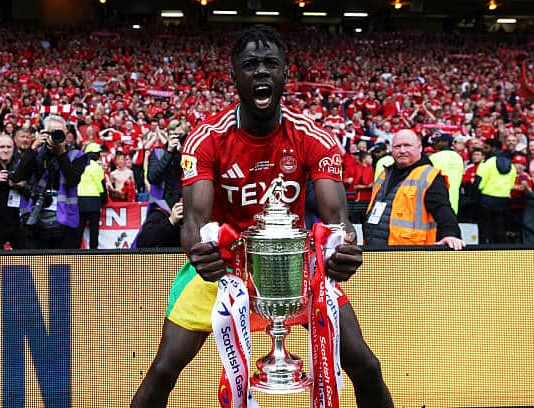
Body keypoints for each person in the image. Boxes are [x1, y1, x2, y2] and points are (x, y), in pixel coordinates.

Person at [131, 25, 393, 407]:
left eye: (270, 63)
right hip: (223, 267)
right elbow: (193, 222)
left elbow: (339, 219)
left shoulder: (313, 137)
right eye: (251, 64)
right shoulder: (207, 138)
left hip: (293, 268)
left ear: (284, 73)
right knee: (162, 370)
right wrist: (198, 252)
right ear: (234, 74)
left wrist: (346, 247)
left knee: (366, 366)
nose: (261, 71)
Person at [363, 129, 465, 250]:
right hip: (373, 249)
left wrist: (450, 234)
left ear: (419, 147)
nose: (402, 150)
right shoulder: (385, 174)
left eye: (407, 146)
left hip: (409, 252)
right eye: (397, 146)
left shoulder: (429, 176)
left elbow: (442, 208)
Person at [27, 114, 87, 249]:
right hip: (37, 217)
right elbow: (22, 176)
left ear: (66, 134)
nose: (55, 136)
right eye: (52, 132)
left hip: (65, 221)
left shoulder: (77, 155)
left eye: (60, 132)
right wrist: (34, 147)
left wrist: (61, 153)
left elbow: (72, 180)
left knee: (63, 261)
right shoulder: (37, 153)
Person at [134, 119, 186, 247]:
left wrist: (182, 152)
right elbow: (153, 178)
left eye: (181, 136)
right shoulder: (158, 153)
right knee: (151, 241)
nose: (177, 139)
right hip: (162, 206)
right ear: (168, 135)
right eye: (174, 135)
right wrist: (169, 152)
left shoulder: (189, 155)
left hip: (184, 206)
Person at [474, 139, 516, 244]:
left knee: (485, 228)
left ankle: (484, 250)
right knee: (500, 228)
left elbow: (479, 183)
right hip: (503, 199)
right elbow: (512, 183)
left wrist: (475, 195)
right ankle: (500, 250)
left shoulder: (487, 163)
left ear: (493, 148)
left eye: (486, 147)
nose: (484, 150)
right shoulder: (511, 164)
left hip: (486, 199)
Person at [74, 142, 106, 249]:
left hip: (80, 199)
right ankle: (93, 253)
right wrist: (104, 198)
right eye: (97, 153)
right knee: (94, 230)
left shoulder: (79, 164)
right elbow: (100, 184)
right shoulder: (96, 166)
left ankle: (74, 252)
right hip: (93, 200)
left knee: (79, 229)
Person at [429, 133, 464, 214]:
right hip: (454, 201)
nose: (435, 144)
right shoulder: (459, 158)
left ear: (446, 142)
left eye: (438, 141)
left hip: (437, 201)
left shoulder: (434, 157)